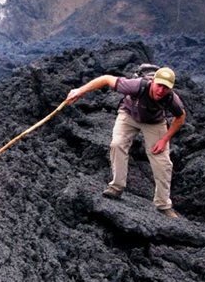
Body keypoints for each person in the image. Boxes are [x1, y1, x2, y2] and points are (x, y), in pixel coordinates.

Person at [66, 67, 186, 218]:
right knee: (117, 144)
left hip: (154, 122)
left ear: (171, 89)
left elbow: (180, 117)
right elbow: (106, 78)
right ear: (153, 81)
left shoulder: (172, 99)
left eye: (166, 88)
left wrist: (164, 139)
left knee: (162, 162)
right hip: (129, 114)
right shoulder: (137, 85)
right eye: (159, 85)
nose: (161, 90)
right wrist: (80, 91)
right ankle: (116, 187)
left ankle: (163, 205)